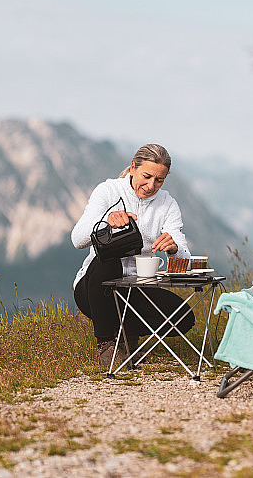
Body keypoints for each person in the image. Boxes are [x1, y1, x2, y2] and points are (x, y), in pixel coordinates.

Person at [71, 143, 194, 368]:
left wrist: (175, 247)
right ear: (132, 168)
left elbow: (184, 261)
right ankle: (106, 345)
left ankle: (126, 339)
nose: (150, 186)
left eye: (159, 180)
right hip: (94, 291)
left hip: (137, 290)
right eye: (146, 176)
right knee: (108, 260)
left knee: (184, 318)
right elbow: (77, 239)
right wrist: (106, 220)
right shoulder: (108, 191)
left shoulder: (167, 204)